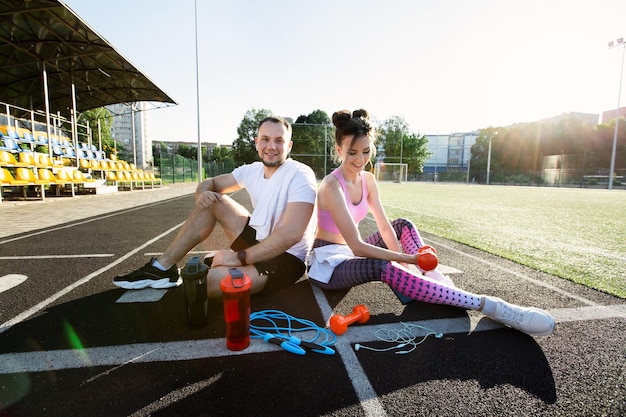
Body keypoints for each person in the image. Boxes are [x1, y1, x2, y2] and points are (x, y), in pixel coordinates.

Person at [308, 109, 555, 336]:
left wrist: (406, 261)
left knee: (402, 224)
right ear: (339, 151)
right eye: (352, 153)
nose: (360, 159)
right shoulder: (331, 186)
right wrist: (407, 261)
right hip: (328, 262)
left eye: (366, 151)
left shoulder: (368, 180)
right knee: (382, 266)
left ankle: (435, 282)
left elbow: (384, 227)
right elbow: (358, 247)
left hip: (350, 253)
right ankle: (490, 305)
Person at [114, 116, 317, 297]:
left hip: (286, 259)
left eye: (279, 141)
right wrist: (201, 194)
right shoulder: (251, 171)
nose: (271, 146)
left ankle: (228, 263)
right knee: (213, 201)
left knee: (209, 284)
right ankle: (162, 268)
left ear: (289, 146)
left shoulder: (300, 175)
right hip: (259, 239)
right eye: (265, 139)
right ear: (257, 142)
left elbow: (291, 234)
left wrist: (238, 257)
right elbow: (210, 182)